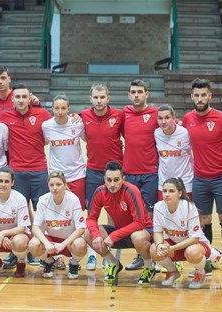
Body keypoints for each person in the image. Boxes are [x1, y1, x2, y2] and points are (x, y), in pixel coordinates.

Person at [182, 78, 222, 279]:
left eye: (203, 94)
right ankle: (208, 259)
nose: (200, 98)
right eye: (196, 95)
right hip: (199, 178)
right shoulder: (187, 119)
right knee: (203, 221)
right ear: (192, 97)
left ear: (209, 96)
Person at [0, 83, 52, 268]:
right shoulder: (4, 117)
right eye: (17, 97)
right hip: (17, 172)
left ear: (30, 98)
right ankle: (16, 251)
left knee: (41, 214)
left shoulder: (43, 115)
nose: (20, 100)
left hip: (39, 171)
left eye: (24, 97)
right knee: (17, 215)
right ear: (12, 99)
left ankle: (40, 251)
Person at [85, 161, 155, 285]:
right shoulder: (99, 192)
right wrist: (96, 235)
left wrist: (113, 236)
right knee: (88, 233)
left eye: (116, 180)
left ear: (123, 179)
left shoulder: (131, 191)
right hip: (122, 232)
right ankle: (114, 263)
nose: (112, 184)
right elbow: (91, 219)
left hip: (144, 232)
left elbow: (139, 222)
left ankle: (149, 267)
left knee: (137, 236)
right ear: (104, 179)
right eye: (109, 180)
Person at [80, 83, 124, 270]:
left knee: (112, 215)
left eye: (102, 97)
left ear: (108, 98)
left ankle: (108, 253)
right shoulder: (82, 116)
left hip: (114, 173)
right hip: (93, 171)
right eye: (95, 97)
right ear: (90, 99)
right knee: (92, 214)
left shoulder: (119, 116)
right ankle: (92, 255)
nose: (99, 101)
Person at [42, 94, 86, 269]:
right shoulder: (46, 126)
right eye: (56, 108)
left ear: (69, 109)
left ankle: (83, 253)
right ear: (52, 109)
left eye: (63, 108)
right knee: (54, 215)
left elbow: (88, 139)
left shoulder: (77, 123)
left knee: (78, 216)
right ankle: (57, 255)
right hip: (56, 176)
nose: (60, 112)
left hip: (77, 175)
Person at [122, 80, 159, 271]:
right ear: (129, 96)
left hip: (151, 173)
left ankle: (155, 255)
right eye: (133, 92)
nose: (136, 95)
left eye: (139, 92)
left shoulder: (156, 114)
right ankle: (141, 255)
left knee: (150, 215)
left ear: (147, 94)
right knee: (135, 217)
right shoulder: (125, 114)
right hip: (129, 173)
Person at [150, 178, 212, 289]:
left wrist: (172, 248)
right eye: (164, 191)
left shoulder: (188, 207)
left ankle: (200, 273)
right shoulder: (158, 207)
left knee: (192, 252)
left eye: (171, 191)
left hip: (197, 246)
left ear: (179, 193)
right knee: (154, 249)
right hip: (176, 246)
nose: (167, 194)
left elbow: (194, 239)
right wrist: (160, 245)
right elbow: (158, 232)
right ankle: (173, 272)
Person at [29, 171, 87, 279]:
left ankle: (73, 263)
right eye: (51, 185)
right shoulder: (43, 200)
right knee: (33, 244)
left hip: (69, 241)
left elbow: (81, 228)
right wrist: (46, 243)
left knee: (80, 245)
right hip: (51, 240)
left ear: (65, 185)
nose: (55, 188)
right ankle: (49, 262)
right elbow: (35, 227)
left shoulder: (73, 199)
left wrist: (63, 244)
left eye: (58, 184)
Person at [0, 166, 30, 277]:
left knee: (19, 242)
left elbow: (22, 228)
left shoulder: (20, 198)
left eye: (7, 181)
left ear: (12, 183)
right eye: (0, 181)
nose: (3, 184)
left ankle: (21, 262)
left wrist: (3, 234)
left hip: (15, 235)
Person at [154, 104, 193, 200]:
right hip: (164, 183)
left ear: (174, 118)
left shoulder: (185, 133)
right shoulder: (156, 133)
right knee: (165, 214)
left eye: (167, 118)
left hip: (185, 183)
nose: (163, 121)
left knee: (185, 213)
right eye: (160, 118)